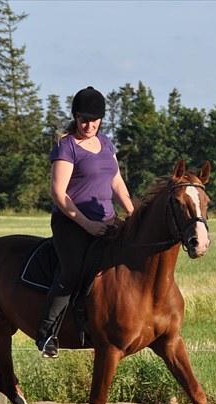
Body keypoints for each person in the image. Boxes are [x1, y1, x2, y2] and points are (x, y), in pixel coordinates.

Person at [36, 86, 134, 357]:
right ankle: (46, 332)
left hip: (107, 220)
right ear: (75, 117)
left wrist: (132, 212)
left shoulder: (106, 144)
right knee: (73, 272)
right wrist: (87, 225)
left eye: (94, 119)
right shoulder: (66, 146)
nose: (88, 125)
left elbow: (116, 182)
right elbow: (58, 192)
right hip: (71, 223)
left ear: (102, 119)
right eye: (83, 119)